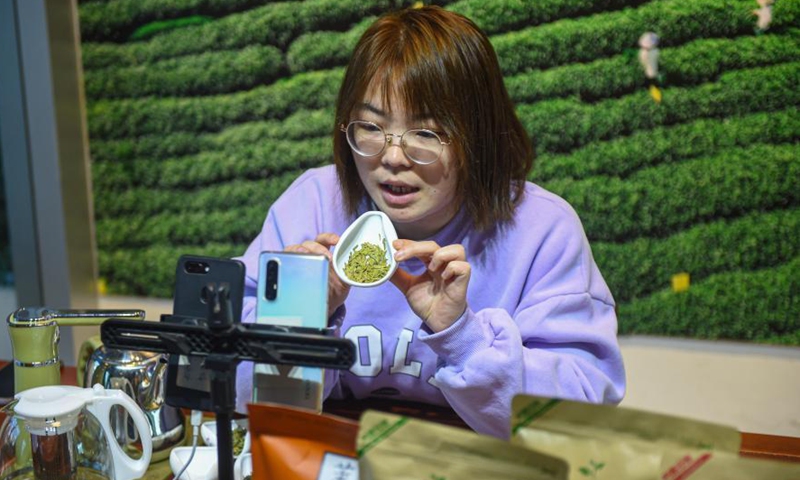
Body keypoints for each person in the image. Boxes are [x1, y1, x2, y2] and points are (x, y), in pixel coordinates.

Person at [235, 5, 625, 439]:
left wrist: (461, 337)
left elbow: (578, 416)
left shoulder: (541, 229)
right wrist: (302, 316)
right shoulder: (312, 204)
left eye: (426, 133)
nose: (392, 157)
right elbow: (235, 390)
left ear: (477, 135)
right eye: (370, 126)